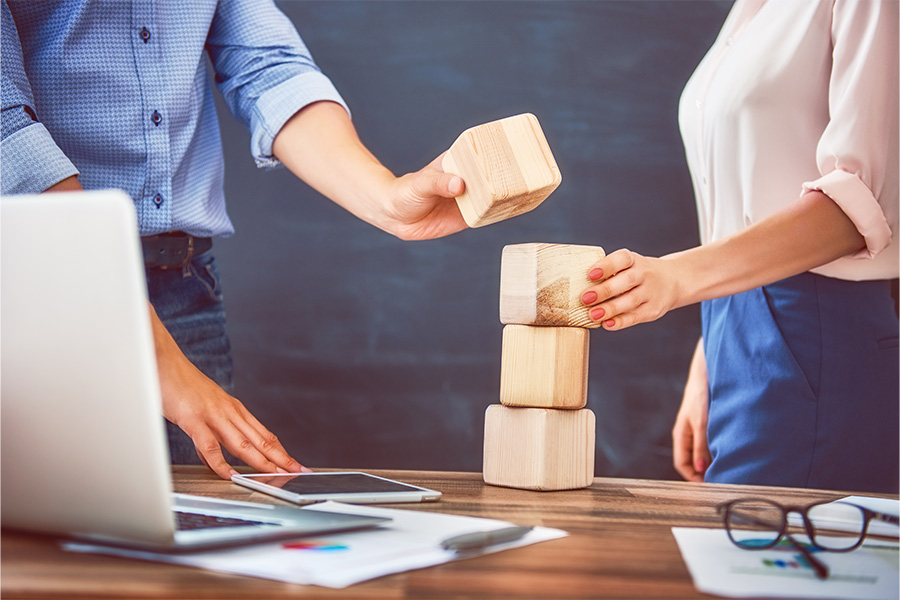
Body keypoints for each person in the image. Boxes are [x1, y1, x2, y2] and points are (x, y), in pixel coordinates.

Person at [1, 0, 468, 480]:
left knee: (198, 535)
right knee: (40, 539)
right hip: (38, 292)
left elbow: (267, 67)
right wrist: (147, 349)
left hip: (184, 290)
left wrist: (386, 199)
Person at [580, 0, 898, 493]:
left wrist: (677, 278)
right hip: (734, 329)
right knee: (740, 549)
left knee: (765, 552)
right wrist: (711, 355)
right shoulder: (753, 9)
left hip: (819, 335)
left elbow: (858, 211)